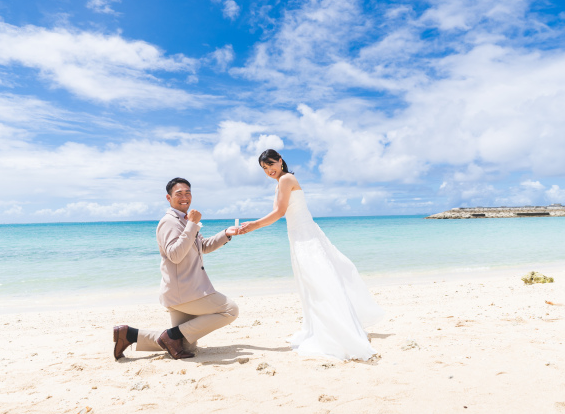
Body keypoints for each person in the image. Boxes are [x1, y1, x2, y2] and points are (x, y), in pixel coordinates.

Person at [239, 149, 385, 360]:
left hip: (305, 237)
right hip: (301, 235)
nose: (268, 170)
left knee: (318, 282)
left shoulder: (286, 179)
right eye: (264, 169)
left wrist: (253, 225)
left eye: (270, 165)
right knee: (314, 282)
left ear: (280, 161)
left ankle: (336, 332)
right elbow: (281, 212)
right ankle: (326, 327)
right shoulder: (284, 181)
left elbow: (279, 213)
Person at [113, 177, 240, 360]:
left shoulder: (184, 220)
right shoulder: (169, 222)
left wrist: (226, 234)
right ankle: (171, 336)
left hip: (182, 293)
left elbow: (202, 246)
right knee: (230, 310)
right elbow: (175, 255)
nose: (184, 197)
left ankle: (129, 334)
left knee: (185, 344)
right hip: (186, 292)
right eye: (179, 193)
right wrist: (192, 225)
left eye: (188, 192)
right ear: (168, 198)